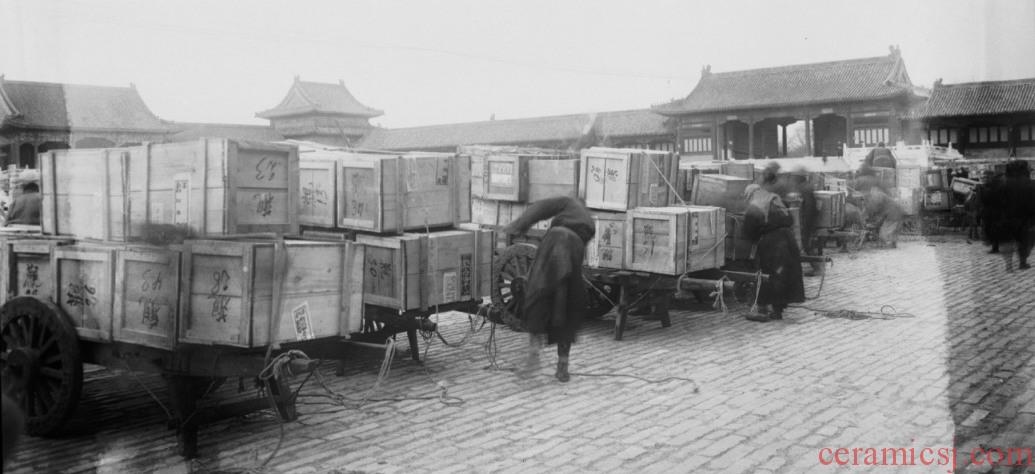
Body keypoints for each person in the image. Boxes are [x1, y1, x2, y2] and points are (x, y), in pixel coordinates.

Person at [503, 196, 595, 382]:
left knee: (538, 294)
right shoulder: (589, 222)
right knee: (567, 303)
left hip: (555, 242)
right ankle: (563, 366)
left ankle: (533, 356)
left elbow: (542, 207)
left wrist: (519, 225)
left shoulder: (569, 202)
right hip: (573, 251)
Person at [742, 171, 806, 322]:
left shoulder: (754, 204)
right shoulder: (773, 197)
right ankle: (778, 310)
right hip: (788, 239)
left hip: (773, 243)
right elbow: (789, 217)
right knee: (784, 275)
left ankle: (763, 309)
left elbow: (749, 231)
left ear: (749, 194)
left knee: (769, 274)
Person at [999, 160, 1035, 270]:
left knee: (1008, 241)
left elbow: (999, 202)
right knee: (1025, 241)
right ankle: (1022, 262)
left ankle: (1008, 264)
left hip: (1007, 218)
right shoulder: (1030, 184)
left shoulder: (1003, 183)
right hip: (1025, 219)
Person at [977, 170, 1005, 254]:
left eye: (986, 177)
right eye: (983, 177)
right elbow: (981, 201)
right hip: (987, 213)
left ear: (991, 178)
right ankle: (994, 245)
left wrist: (981, 190)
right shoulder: (984, 187)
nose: (984, 179)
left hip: (995, 212)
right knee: (989, 229)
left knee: (994, 230)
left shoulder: (996, 187)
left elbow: (987, 198)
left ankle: (995, 247)